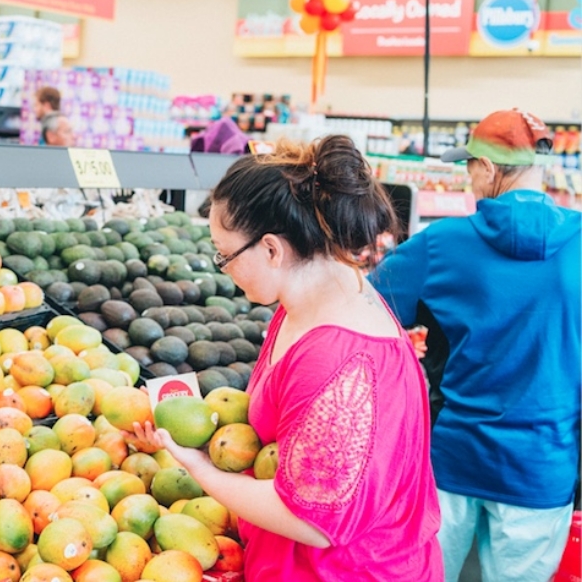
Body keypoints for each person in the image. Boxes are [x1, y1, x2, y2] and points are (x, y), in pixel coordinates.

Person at [132, 135, 443, 580]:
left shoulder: (336, 354)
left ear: (272, 249)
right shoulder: (312, 299)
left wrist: (199, 466)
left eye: (225, 254)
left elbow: (312, 520)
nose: (223, 266)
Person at [370, 109, 580, 582]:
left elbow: (364, 306)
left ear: (485, 168)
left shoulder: (442, 244)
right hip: (542, 465)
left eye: (468, 166)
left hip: (453, 460)